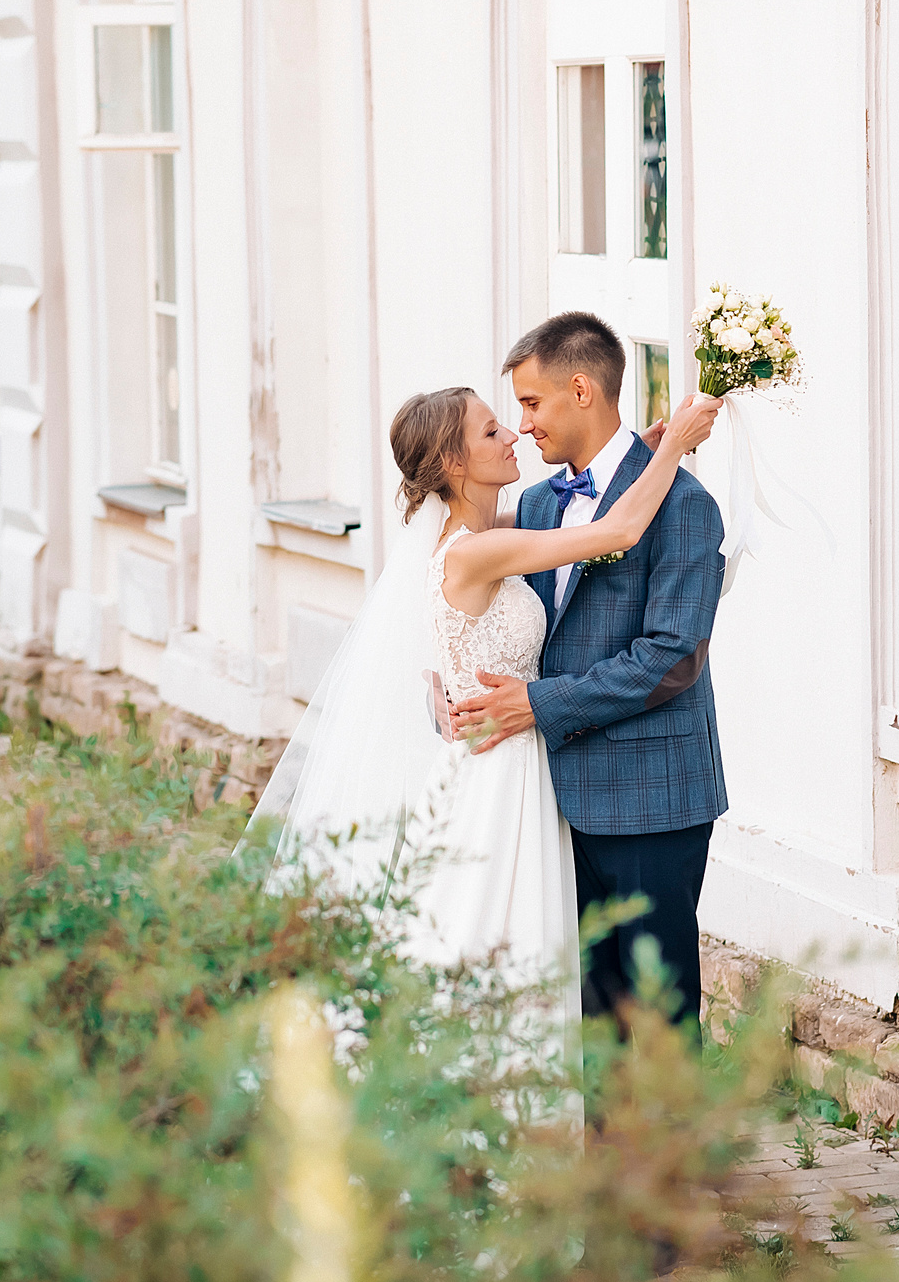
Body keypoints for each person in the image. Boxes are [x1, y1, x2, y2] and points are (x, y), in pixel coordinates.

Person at [250, 353, 721, 1005]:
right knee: (502, 942)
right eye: (494, 430)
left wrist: (632, 454)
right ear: (453, 462)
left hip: (534, 766)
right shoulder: (475, 550)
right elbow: (617, 529)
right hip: (501, 773)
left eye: (521, 413)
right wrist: (673, 447)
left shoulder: (496, 527)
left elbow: (589, 525)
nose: (516, 434)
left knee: (525, 957)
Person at [449, 312, 729, 1034]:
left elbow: (671, 657)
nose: (523, 425)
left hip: (652, 798)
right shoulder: (538, 505)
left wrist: (539, 704)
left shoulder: (684, 505)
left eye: (531, 403)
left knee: (658, 1022)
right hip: (548, 801)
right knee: (587, 1024)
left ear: (581, 390)